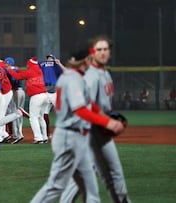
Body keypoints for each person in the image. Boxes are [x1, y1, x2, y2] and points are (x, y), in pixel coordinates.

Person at [31, 47, 125, 203]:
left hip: (77, 137)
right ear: (85, 61)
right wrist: (107, 122)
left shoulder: (78, 78)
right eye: (90, 59)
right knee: (55, 186)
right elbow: (80, 109)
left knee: (90, 190)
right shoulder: (72, 79)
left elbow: (89, 104)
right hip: (68, 138)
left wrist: (107, 118)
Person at [62, 35, 132, 203]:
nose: (102, 53)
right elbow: (85, 108)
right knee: (96, 177)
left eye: (105, 49)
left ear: (110, 52)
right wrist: (108, 122)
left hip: (99, 132)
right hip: (89, 133)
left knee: (106, 176)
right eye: (98, 50)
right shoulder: (91, 77)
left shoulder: (105, 73)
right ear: (92, 53)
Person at [5, 57, 49, 144]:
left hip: (36, 96)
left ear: (30, 64)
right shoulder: (38, 70)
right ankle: (44, 136)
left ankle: (38, 138)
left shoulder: (30, 71)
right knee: (40, 117)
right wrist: (18, 69)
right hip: (45, 95)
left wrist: (10, 70)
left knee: (33, 118)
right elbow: (26, 73)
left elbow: (17, 76)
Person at [38, 54, 66, 141]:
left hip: (54, 92)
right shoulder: (42, 65)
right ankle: (47, 134)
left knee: (60, 111)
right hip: (45, 92)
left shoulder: (56, 65)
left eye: (51, 58)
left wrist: (59, 64)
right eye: (48, 58)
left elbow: (66, 72)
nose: (49, 59)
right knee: (44, 114)